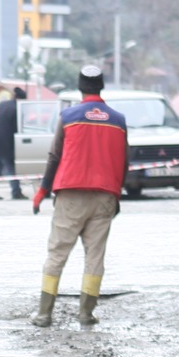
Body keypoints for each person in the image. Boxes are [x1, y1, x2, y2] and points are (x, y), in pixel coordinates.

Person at [29, 64, 127, 328]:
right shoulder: (118, 121)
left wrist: (41, 192)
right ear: (101, 86)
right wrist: (116, 196)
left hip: (71, 194)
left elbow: (54, 156)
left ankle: (44, 314)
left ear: (81, 87)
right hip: (105, 195)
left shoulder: (69, 116)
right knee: (95, 257)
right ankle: (86, 314)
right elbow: (124, 162)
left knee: (57, 253)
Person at [0, 86, 26, 201]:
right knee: (11, 168)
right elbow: (18, 128)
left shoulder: (2, 105)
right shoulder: (17, 109)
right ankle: (16, 192)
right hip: (5, 143)